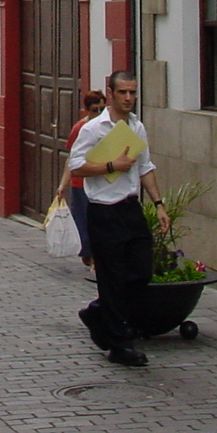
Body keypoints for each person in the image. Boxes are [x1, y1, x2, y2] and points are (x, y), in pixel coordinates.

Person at [68, 71, 169, 367]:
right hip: (103, 210)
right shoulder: (93, 128)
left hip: (130, 208)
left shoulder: (137, 126)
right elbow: (76, 167)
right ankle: (120, 345)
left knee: (140, 273)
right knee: (111, 279)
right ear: (110, 94)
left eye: (133, 93)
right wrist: (112, 164)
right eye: (123, 92)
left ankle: (97, 313)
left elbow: (144, 166)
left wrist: (159, 204)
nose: (128, 98)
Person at [55, 90, 108, 269]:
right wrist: (63, 184)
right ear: (87, 110)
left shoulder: (108, 128)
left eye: (102, 109)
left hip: (101, 181)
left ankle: (95, 257)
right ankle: (89, 255)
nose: (99, 114)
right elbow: (72, 158)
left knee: (99, 222)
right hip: (80, 183)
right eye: (95, 110)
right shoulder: (80, 128)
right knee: (84, 221)